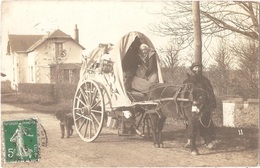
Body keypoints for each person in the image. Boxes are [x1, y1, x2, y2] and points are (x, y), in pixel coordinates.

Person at [183, 62, 218, 149]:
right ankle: (189, 140)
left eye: (199, 68)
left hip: (204, 105)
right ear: (192, 69)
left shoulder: (205, 80)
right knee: (190, 122)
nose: (197, 69)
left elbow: (211, 92)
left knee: (206, 122)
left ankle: (208, 141)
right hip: (191, 105)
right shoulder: (188, 80)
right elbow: (183, 93)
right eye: (195, 68)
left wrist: (212, 104)